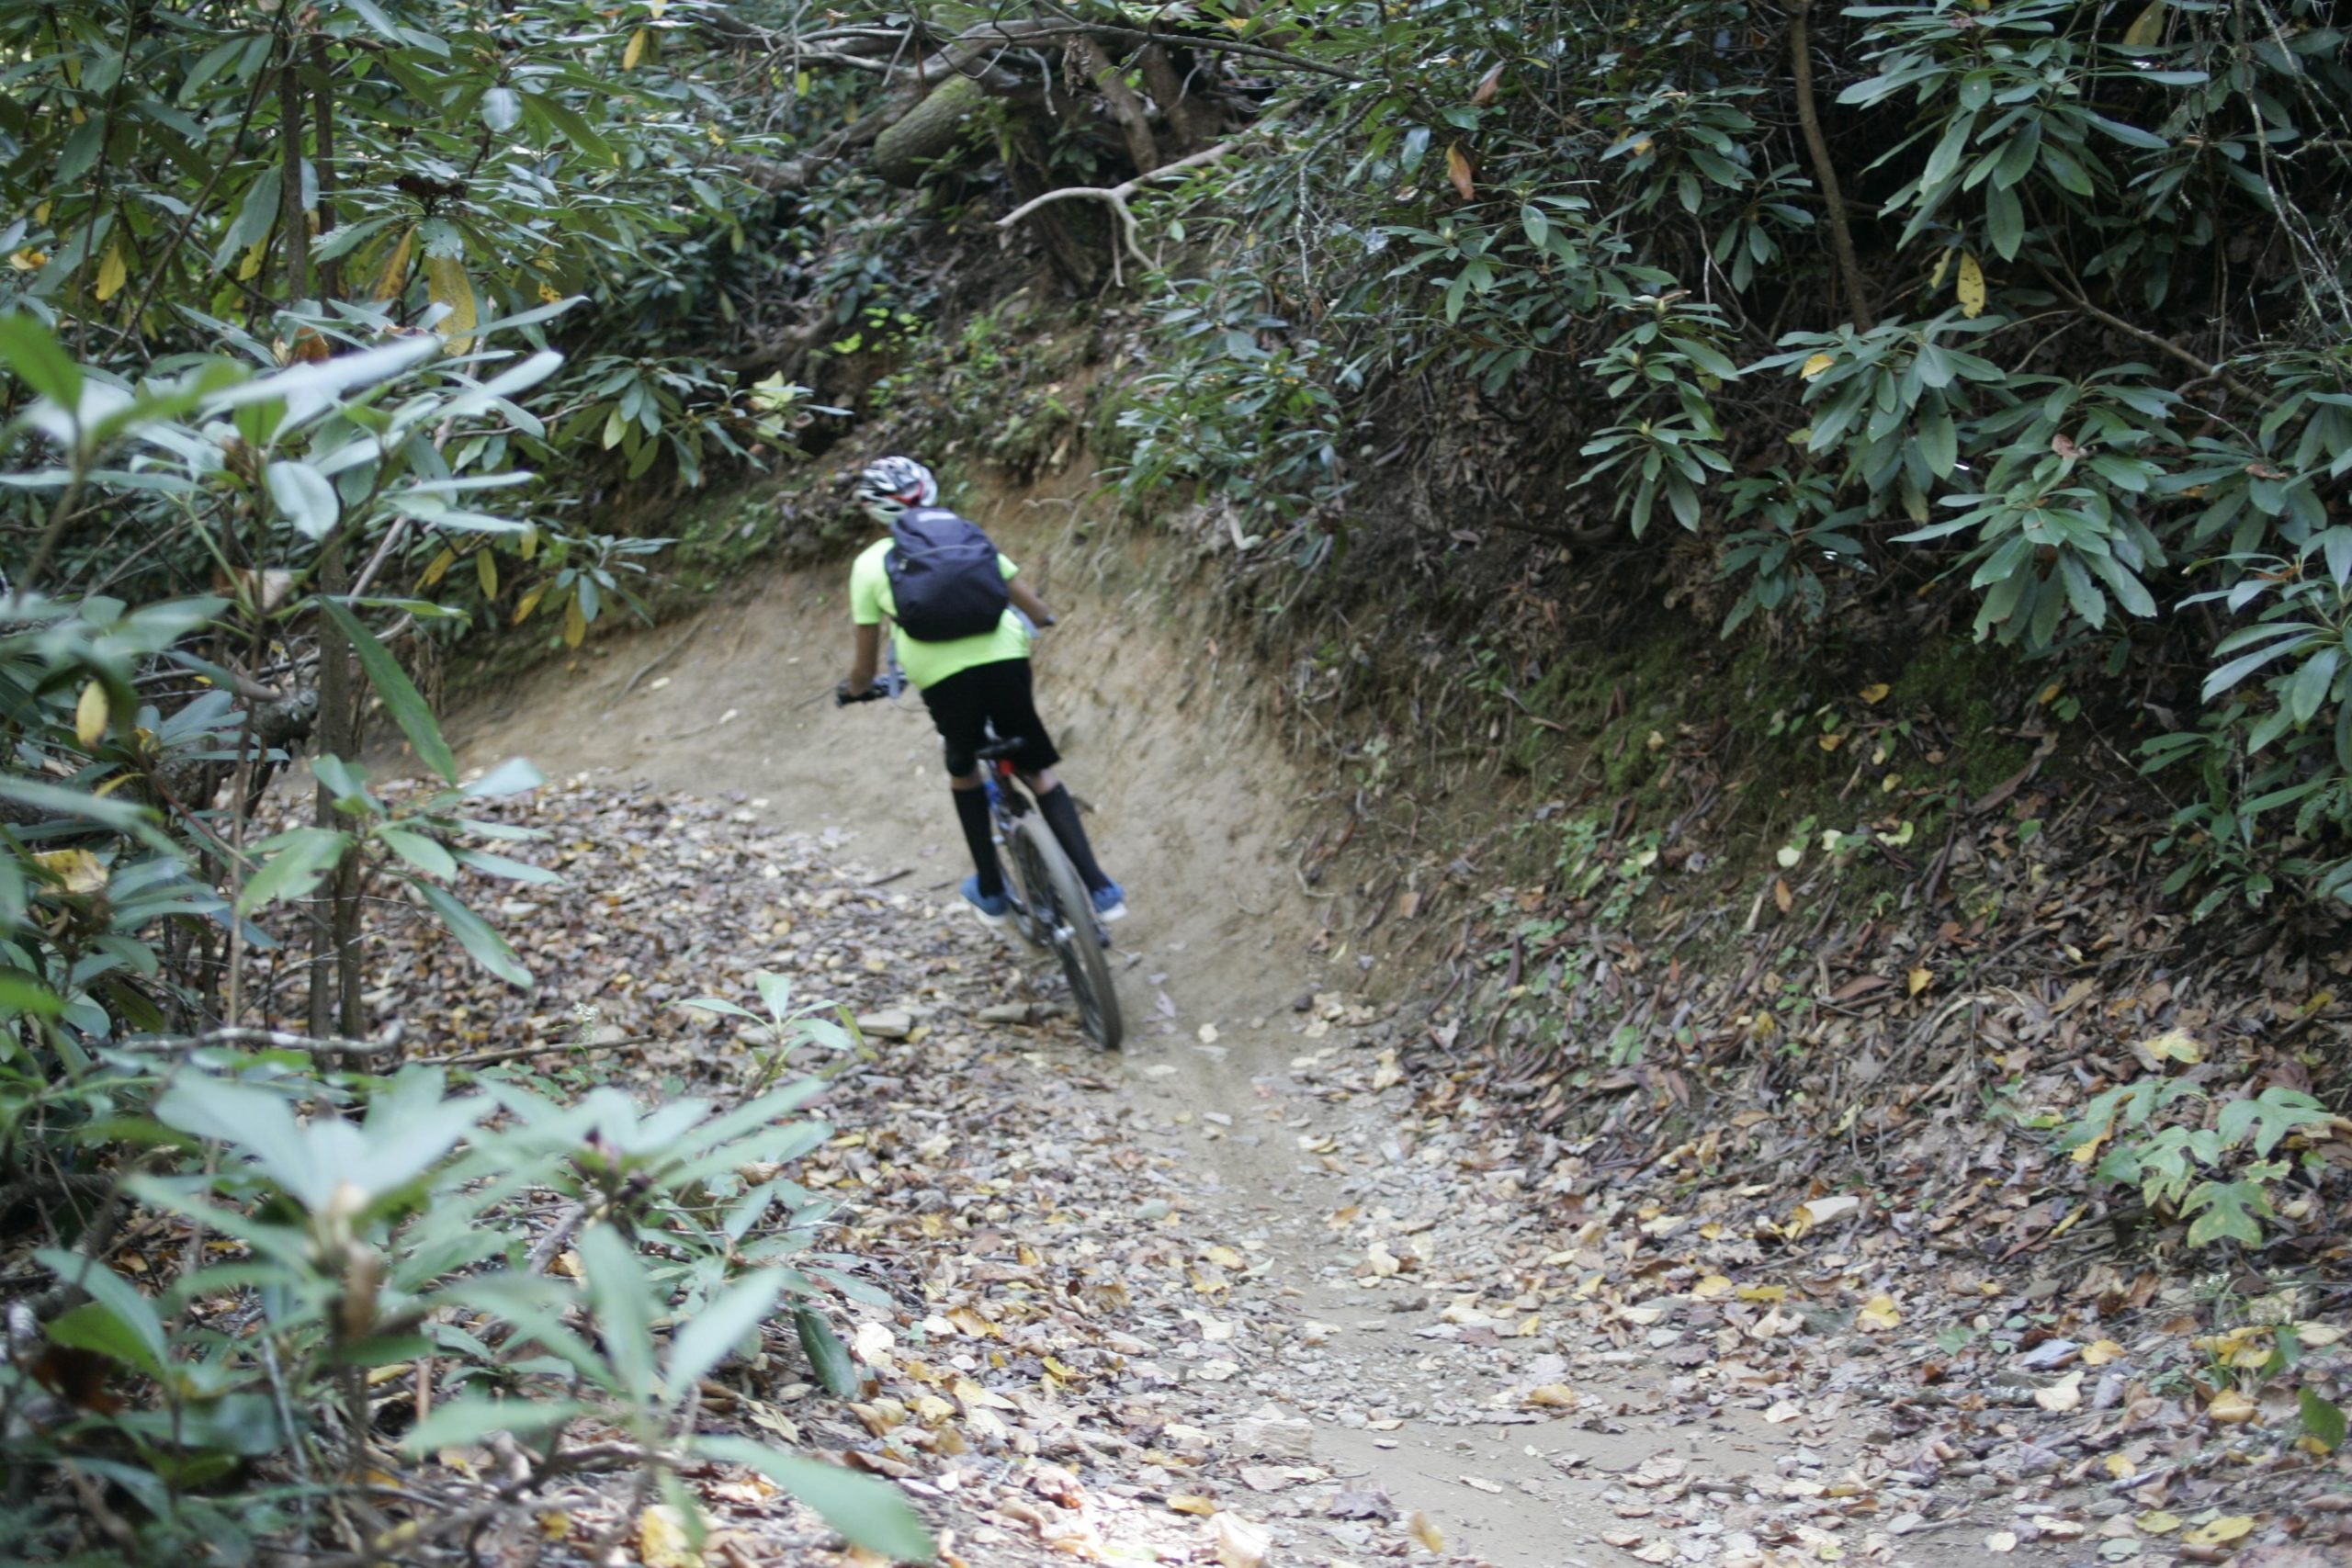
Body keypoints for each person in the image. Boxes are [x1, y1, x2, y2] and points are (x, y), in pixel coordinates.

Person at [834, 456, 1126, 928]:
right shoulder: (967, 535)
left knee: (964, 768)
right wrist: (1044, 620)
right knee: (1038, 772)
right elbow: (1031, 604)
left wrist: (855, 689)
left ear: (873, 510)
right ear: (930, 492)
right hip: (1006, 656)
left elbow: (866, 661)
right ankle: (1101, 889)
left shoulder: (870, 564)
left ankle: (991, 891)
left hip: (940, 673)